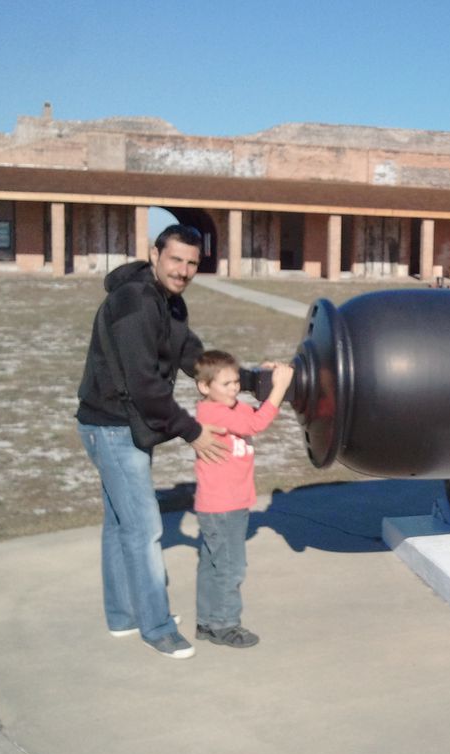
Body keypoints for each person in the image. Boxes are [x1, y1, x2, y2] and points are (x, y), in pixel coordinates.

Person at [77, 224, 229, 660]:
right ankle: (157, 627)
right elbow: (144, 385)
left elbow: (190, 355)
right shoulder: (135, 302)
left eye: (192, 263)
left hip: (120, 425)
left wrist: (239, 378)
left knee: (121, 526)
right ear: (155, 254)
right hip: (111, 426)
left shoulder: (170, 302)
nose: (183, 270)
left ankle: (123, 615)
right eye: (175, 259)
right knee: (144, 531)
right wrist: (193, 431)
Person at [191, 350, 293, 648]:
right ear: (204, 387)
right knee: (231, 567)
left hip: (229, 503)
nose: (234, 388)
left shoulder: (231, 405)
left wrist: (261, 377)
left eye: (237, 382)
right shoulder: (212, 413)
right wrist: (279, 389)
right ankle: (225, 625)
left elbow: (251, 414)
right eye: (226, 384)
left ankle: (208, 622)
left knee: (213, 564)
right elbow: (256, 424)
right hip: (222, 506)